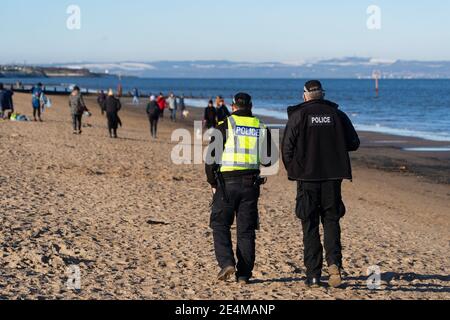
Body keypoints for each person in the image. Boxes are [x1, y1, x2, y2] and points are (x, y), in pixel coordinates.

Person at [281, 80, 360, 289]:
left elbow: (286, 148)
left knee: (310, 225)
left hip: (307, 179)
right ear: (322, 94)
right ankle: (334, 264)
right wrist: (333, 146)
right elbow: (354, 142)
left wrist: (295, 169)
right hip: (332, 178)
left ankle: (314, 275)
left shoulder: (299, 115)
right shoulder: (337, 115)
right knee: (331, 222)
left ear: (305, 95)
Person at [205, 93, 272, 284]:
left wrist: (212, 183)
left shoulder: (225, 125)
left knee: (219, 224)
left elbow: (211, 159)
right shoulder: (260, 126)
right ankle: (243, 274)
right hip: (250, 184)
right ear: (250, 106)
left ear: (234, 107)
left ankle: (226, 263)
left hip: (226, 184)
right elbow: (269, 159)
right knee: (246, 230)